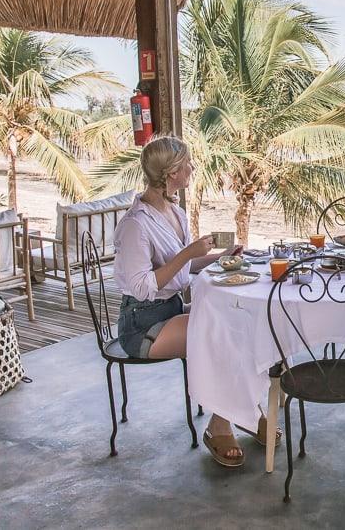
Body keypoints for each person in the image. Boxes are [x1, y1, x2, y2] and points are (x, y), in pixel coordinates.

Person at [113, 136, 274, 467]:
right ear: (172, 172)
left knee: (241, 322)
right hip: (143, 324)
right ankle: (220, 424)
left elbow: (185, 268)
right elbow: (142, 286)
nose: (192, 168)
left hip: (171, 312)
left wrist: (221, 255)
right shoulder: (135, 224)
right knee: (219, 333)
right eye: (187, 164)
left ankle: (243, 411)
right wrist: (188, 253)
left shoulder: (175, 212)